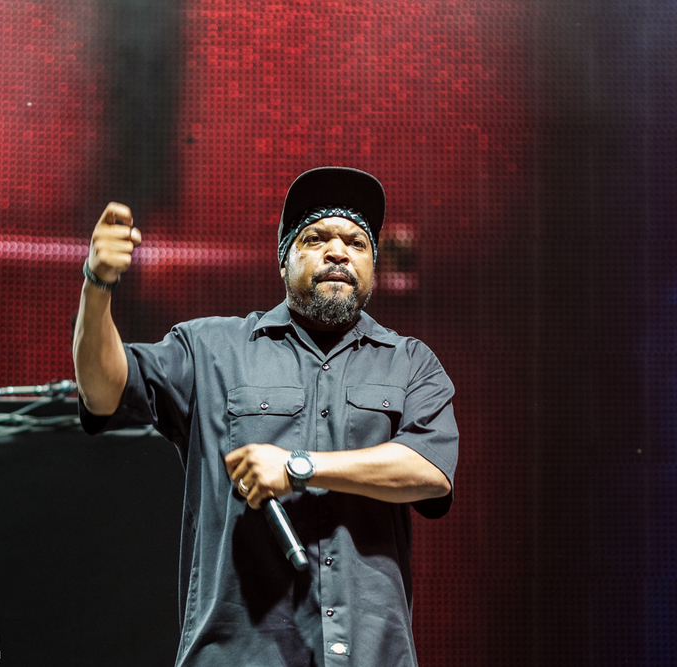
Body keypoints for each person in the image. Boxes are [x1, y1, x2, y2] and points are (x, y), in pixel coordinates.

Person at [72, 166, 458, 667]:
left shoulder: (411, 362)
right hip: (238, 654)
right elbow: (102, 391)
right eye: (316, 238)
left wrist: (299, 467)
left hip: (372, 654)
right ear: (284, 260)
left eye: (357, 243)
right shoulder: (209, 347)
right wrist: (97, 284)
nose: (338, 251)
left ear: (373, 267)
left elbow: (429, 473)